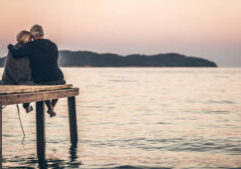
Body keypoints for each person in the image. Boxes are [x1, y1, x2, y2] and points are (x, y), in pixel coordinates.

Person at [8, 24, 65, 117]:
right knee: (59, 81)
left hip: (40, 79)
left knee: (41, 83)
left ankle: (49, 107)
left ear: (33, 36)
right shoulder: (53, 45)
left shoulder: (31, 45)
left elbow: (16, 54)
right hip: (57, 78)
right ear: (43, 34)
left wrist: (10, 46)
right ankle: (52, 107)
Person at [2, 30, 33, 113]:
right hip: (20, 80)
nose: (31, 41)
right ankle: (27, 105)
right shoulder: (26, 50)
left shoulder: (13, 48)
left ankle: (27, 105)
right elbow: (26, 68)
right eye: (30, 39)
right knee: (33, 83)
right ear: (26, 38)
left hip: (8, 80)